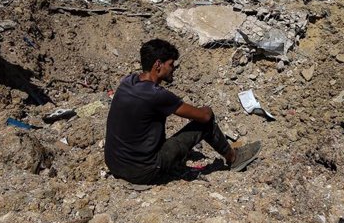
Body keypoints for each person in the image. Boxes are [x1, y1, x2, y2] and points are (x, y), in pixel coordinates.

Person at [105, 38, 261, 184]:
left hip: (114, 164)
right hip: (143, 171)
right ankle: (234, 158)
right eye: (171, 64)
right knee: (206, 123)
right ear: (158, 65)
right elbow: (204, 117)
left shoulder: (127, 82)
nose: (173, 68)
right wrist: (208, 109)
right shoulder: (157, 95)